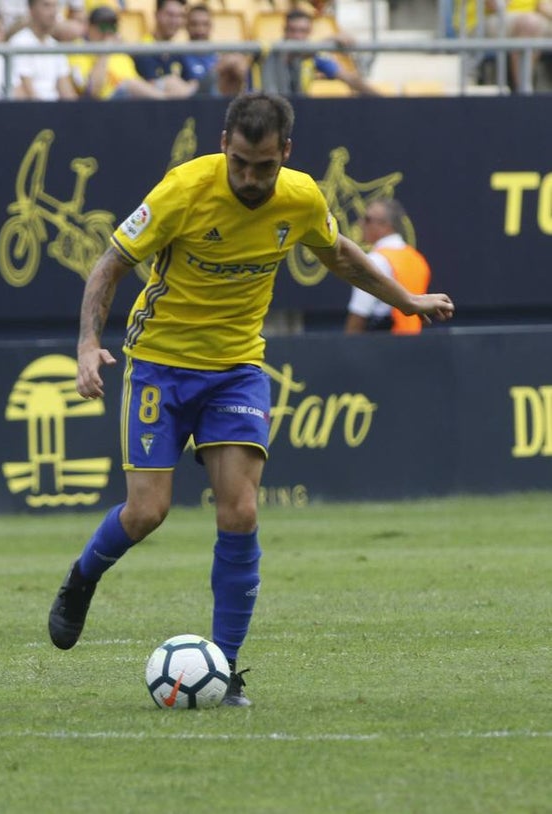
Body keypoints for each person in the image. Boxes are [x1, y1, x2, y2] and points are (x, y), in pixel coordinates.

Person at [45, 92, 454, 706]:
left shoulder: (301, 196)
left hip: (238, 367)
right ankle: (81, 579)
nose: (251, 178)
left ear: (285, 153)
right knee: (146, 512)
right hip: (160, 363)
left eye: (264, 166)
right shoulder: (183, 190)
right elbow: (108, 266)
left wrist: (406, 301)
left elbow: (338, 252)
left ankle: (224, 669)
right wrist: (85, 345)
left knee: (240, 511)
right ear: (224, 145)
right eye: (240, 163)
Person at [345, 198, 432, 334]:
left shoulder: (376, 260)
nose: (361, 223)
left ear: (385, 225)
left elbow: (359, 314)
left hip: (383, 343)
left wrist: (346, 352)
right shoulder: (417, 259)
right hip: (414, 342)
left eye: (367, 219)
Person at [254, 9, 381, 96]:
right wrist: (326, 42)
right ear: (284, 30)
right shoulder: (267, 49)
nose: (298, 36)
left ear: (310, 32)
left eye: (303, 31)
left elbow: (349, 79)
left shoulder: (316, 56)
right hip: (263, 111)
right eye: (293, 30)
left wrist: (383, 98)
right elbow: (291, 54)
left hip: (295, 110)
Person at [69, 6, 182, 99]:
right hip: (104, 104)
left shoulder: (119, 52)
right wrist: (105, 51)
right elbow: (91, 91)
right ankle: (167, 102)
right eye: (103, 26)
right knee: (130, 85)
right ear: (89, 27)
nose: (108, 32)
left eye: (112, 27)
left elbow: (137, 80)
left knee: (170, 82)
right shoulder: (79, 49)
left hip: (130, 102)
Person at [8, 0, 78, 100]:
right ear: (31, 10)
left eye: (55, 6)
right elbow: (27, 90)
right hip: (33, 110)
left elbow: (65, 88)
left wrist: (77, 112)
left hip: (55, 109)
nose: (53, 12)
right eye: (46, 5)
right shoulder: (19, 43)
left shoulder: (55, 46)